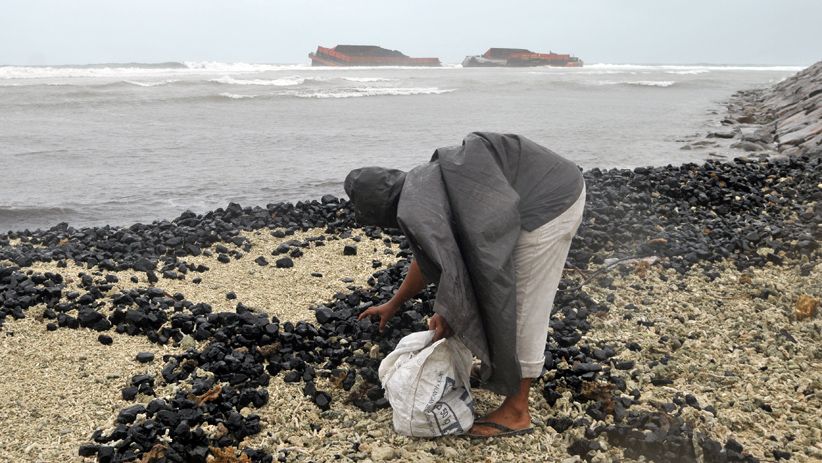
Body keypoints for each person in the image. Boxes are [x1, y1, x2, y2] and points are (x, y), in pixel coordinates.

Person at [346, 132, 585, 438]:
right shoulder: (422, 186)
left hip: (551, 202)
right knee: (496, 299)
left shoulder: (418, 206)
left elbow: (474, 262)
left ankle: (517, 410)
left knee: (523, 304)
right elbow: (432, 255)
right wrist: (394, 303)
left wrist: (449, 311)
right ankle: (496, 372)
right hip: (536, 190)